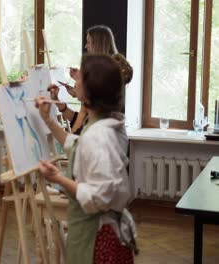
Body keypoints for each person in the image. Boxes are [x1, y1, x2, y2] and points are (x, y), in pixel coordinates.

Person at [36, 54, 136, 263]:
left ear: (91, 91)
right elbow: (77, 145)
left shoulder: (99, 135)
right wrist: (48, 119)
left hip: (98, 240)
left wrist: (58, 178)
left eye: (80, 78)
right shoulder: (106, 122)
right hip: (104, 233)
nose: (75, 81)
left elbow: (97, 198)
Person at [49, 25, 133, 134]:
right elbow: (80, 124)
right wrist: (60, 104)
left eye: (88, 42)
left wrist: (47, 119)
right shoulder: (98, 116)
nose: (85, 46)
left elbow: (74, 140)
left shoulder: (98, 123)